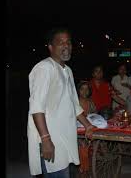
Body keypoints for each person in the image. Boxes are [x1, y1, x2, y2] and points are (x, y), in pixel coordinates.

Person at [27, 27, 94, 177]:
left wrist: (88, 125)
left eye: (68, 42)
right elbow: (36, 107)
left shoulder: (67, 71)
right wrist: (45, 139)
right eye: (61, 42)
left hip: (65, 136)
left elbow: (74, 104)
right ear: (51, 47)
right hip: (51, 138)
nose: (66, 46)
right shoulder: (44, 68)